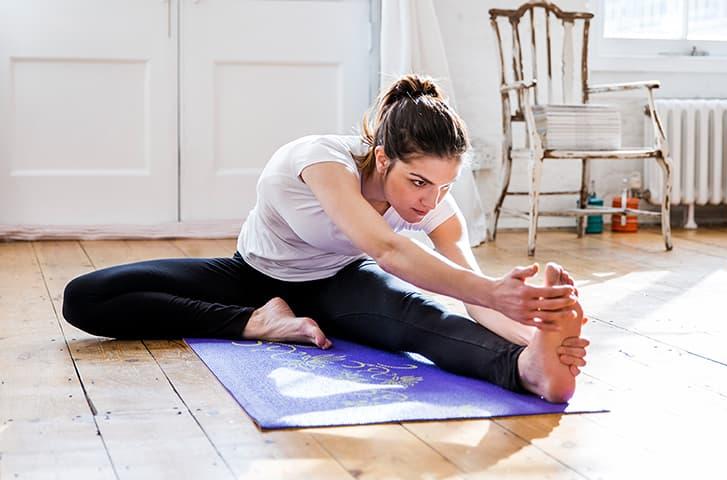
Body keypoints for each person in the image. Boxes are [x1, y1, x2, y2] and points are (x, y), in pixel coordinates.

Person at [62, 74, 589, 403]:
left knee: (421, 321)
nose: (430, 201)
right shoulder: (320, 160)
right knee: (86, 297)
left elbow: (469, 289)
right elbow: (386, 247)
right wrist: (495, 291)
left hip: (337, 283)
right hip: (251, 276)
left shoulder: (434, 201)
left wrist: (532, 336)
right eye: (420, 183)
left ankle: (527, 373)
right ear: (383, 157)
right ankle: (256, 322)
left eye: (444, 186)